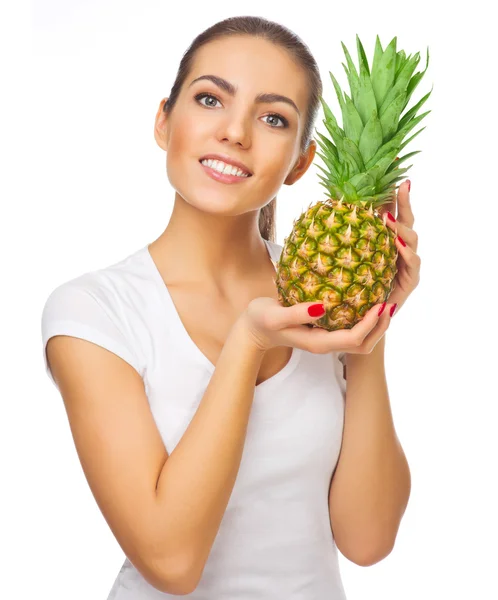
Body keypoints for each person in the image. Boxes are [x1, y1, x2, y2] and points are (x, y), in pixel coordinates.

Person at [41, 15, 415, 599]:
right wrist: (248, 343)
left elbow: (368, 540)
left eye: (273, 118)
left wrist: (372, 320)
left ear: (299, 162)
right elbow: (171, 561)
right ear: (165, 121)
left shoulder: (319, 293)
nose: (235, 133)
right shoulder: (94, 312)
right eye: (211, 98)